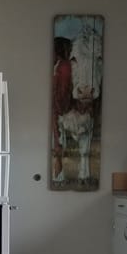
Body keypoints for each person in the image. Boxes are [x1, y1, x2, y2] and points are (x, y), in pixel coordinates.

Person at [51, 37, 74, 182]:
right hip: (56, 109)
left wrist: (58, 106)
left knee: (58, 143)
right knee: (57, 144)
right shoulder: (58, 66)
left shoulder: (64, 66)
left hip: (60, 109)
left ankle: (59, 176)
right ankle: (58, 176)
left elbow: (64, 90)